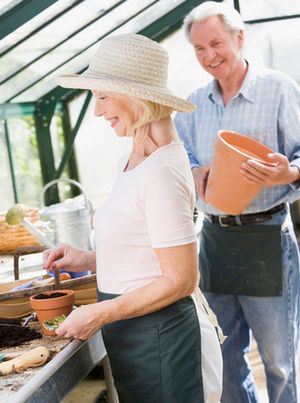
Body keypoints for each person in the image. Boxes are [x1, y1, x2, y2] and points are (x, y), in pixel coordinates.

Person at [43, 33, 223, 403]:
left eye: (103, 96)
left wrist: (101, 312)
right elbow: (149, 249)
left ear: (137, 95)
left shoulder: (161, 170)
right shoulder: (133, 160)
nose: (97, 111)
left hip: (164, 338)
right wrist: (89, 259)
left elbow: (180, 278)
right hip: (136, 335)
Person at [174, 2, 300, 403]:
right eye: (199, 49)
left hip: (267, 237)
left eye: (216, 44)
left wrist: (288, 173)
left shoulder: (278, 88)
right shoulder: (191, 105)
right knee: (224, 355)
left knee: (279, 362)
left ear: (239, 38)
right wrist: (194, 173)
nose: (210, 56)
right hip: (214, 242)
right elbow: (185, 162)